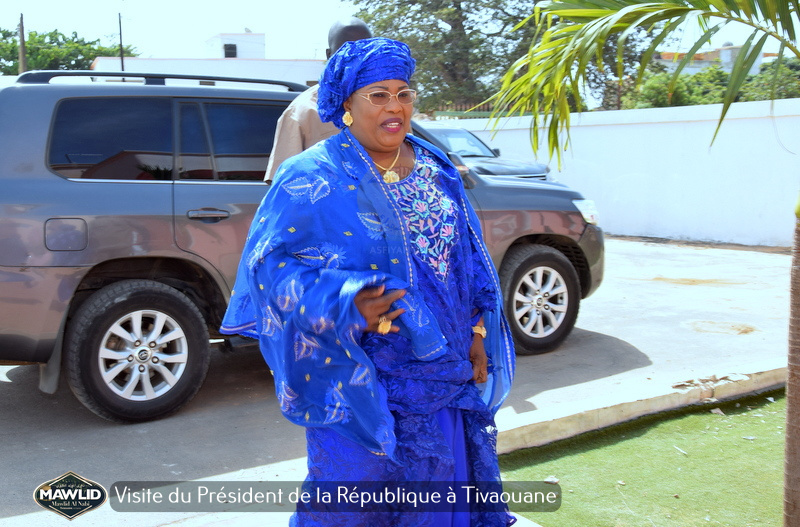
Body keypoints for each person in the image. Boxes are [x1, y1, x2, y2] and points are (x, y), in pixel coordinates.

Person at [222, 37, 515, 526]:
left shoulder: (437, 170)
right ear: (346, 106)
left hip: (444, 371)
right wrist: (344, 301)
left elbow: (465, 260)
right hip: (362, 376)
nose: (395, 106)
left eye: (403, 92)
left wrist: (478, 332)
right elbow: (267, 267)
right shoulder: (310, 175)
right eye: (377, 95)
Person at [264, 18, 373, 182]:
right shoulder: (302, 112)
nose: (355, 58)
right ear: (329, 55)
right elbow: (282, 184)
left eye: (364, 49)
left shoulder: (393, 104)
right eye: (345, 49)